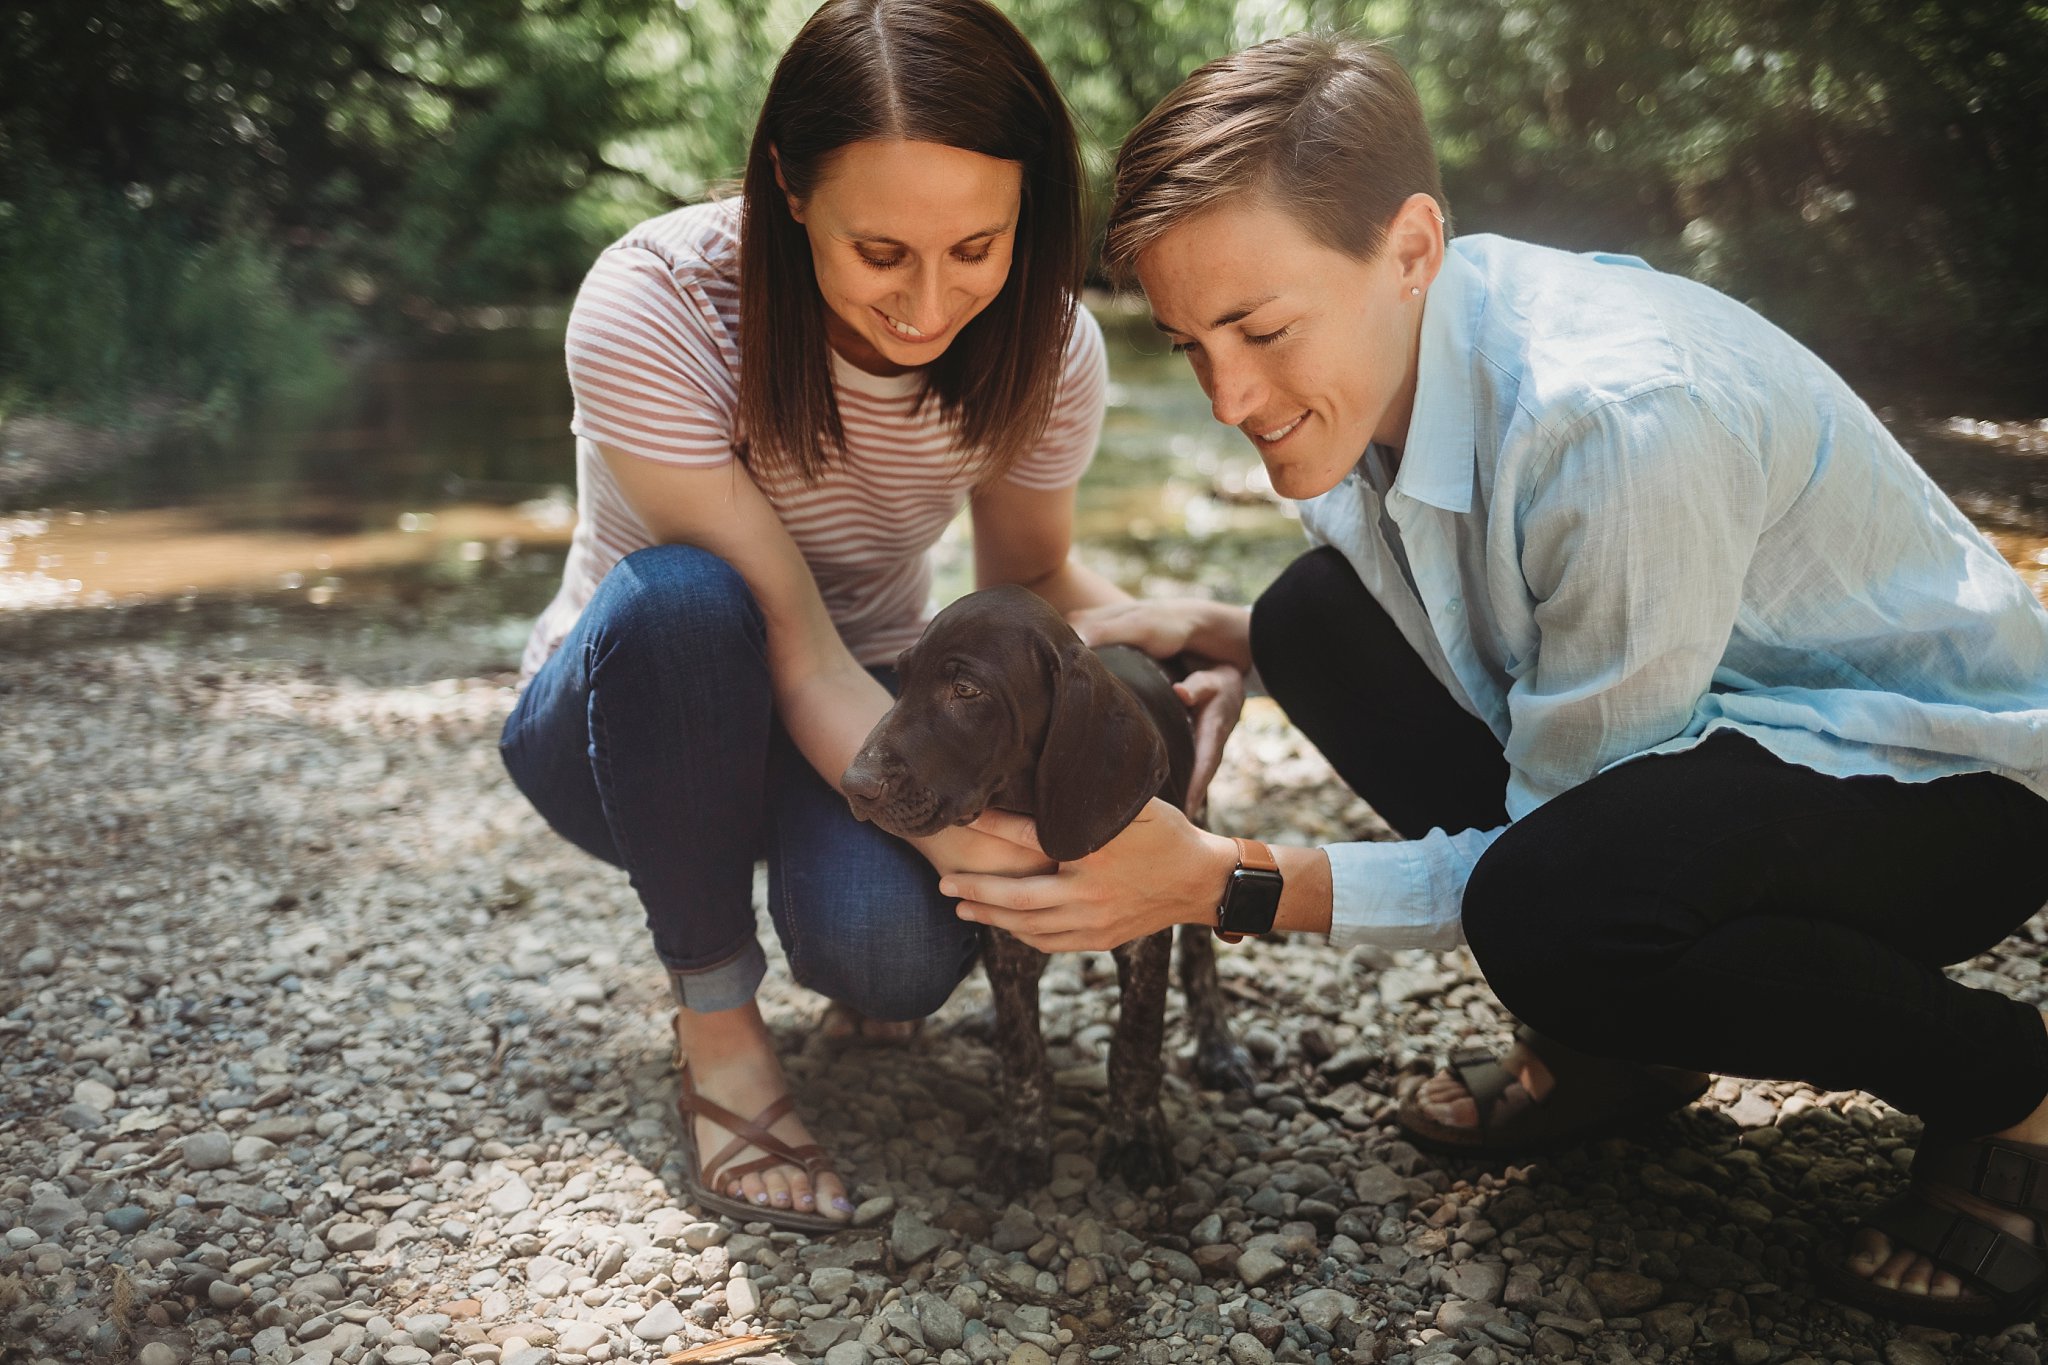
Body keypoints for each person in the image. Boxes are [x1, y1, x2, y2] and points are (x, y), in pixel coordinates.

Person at [940, 33, 2048, 1328]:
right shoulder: (1407, 346)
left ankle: (2010, 1093)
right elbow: (1502, 636)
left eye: (1260, 328)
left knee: (1554, 912)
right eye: (1189, 343)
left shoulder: (1615, 421)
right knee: (1304, 619)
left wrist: (1223, 882)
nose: (1231, 394)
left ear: (1410, 246)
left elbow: (1560, 844)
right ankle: (1622, 1053)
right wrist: (1230, 632)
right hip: (1730, 731)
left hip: (1946, 784)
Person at [498, 0, 1241, 1232]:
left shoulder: (1044, 345)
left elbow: (1033, 583)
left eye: (976, 247)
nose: (928, 304)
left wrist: (1202, 638)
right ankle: (722, 1034)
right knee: (692, 602)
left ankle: (817, 904)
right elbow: (784, 635)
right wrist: (954, 837)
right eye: (881, 252)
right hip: (630, 719)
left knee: (886, 956)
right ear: (788, 187)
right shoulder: (656, 309)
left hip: (863, 701)